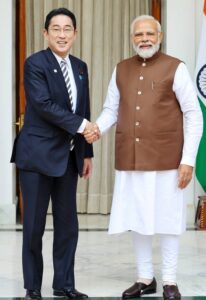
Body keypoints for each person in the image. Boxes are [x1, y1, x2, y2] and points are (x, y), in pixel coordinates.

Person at [84, 15, 203, 300]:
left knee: (168, 220)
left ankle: (171, 281)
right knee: (138, 218)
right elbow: (111, 108)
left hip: (168, 160)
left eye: (150, 33)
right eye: (139, 35)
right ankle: (145, 277)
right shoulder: (121, 69)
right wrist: (97, 128)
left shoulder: (176, 67)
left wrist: (188, 159)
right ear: (132, 38)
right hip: (131, 158)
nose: (145, 39)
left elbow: (193, 114)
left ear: (159, 37)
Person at [11, 7, 96, 300]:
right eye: (56, 29)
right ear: (46, 33)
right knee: (33, 227)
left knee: (68, 226)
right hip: (36, 156)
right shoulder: (35, 63)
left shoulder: (81, 67)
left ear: (75, 33)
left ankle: (64, 284)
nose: (62, 34)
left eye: (67, 29)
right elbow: (44, 104)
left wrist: (86, 152)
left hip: (69, 158)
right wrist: (84, 126)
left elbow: (83, 109)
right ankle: (32, 288)